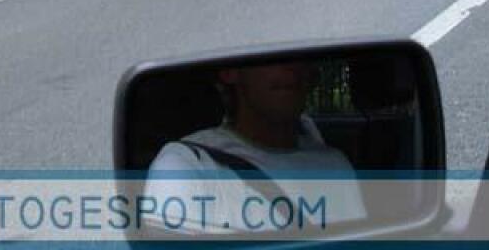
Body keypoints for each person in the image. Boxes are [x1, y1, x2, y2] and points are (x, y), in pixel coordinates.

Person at [145, 62, 366, 232]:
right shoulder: (186, 166)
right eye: (271, 52)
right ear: (230, 71)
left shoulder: (335, 165)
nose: (290, 66)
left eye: (299, 52)